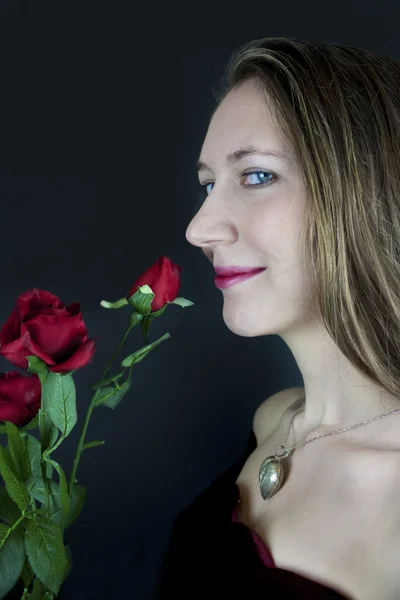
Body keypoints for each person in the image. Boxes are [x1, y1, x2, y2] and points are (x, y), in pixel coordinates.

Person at [152, 36, 400, 599]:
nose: (199, 228)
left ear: (365, 191)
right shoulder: (275, 421)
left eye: (256, 176)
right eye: (208, 184)